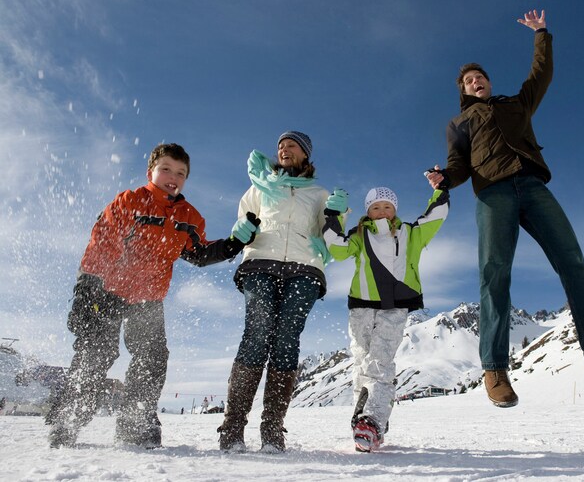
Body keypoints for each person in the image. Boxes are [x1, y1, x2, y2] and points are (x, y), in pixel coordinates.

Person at [427, 9, 584, 408]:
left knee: (574, 263)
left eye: (481, 78)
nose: (476, 82)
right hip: (492, 193)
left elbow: (540, 75)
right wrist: (444, 180)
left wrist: (541, 34)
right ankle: (494, 368)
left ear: (489, 83)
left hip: (531, 184)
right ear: (463, 90)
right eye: (469, 81)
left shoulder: (516, 105)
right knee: (495, 272)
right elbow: (458, 165)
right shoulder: (459, 124)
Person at [46, 143, 257, 449]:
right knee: (98, 354)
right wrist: (84, 292)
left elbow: (199, 253)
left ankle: (137, 421)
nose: (174, 176)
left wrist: (234, 243)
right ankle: (70, 417)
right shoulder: (130, 201)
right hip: (107, 291)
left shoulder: (189, 216)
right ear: (151, 172)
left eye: (181, 173)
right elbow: (100, 245)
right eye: (166, 169)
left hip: (148, 298)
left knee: (152, 358)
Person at [217, 131, 329, 453]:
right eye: (280, 146)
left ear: (305, 154)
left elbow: (332, 237)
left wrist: (336, 222)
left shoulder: (319, 192)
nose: (283, 149)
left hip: (304, 268)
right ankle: (233, 428)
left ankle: (272, 430)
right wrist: (241, 232)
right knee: (258, 331)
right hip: (261, 262)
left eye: (291, 145)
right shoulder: (260, 188)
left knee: (287, 338)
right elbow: (244, 225)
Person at [322, 181, 449, 452]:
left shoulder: (411, 233)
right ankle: (364, 422)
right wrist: (333, 216)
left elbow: (436, 216)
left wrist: (441, 189)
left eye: (387, 207)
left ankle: (372, 421)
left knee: (379, 362)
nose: (381, 211)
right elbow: (337, 249)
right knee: (361, 363)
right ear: (368, 211)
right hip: (361, 307)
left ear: (395, 210)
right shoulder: (359, 235)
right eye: (375, 207)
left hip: (396, 306)